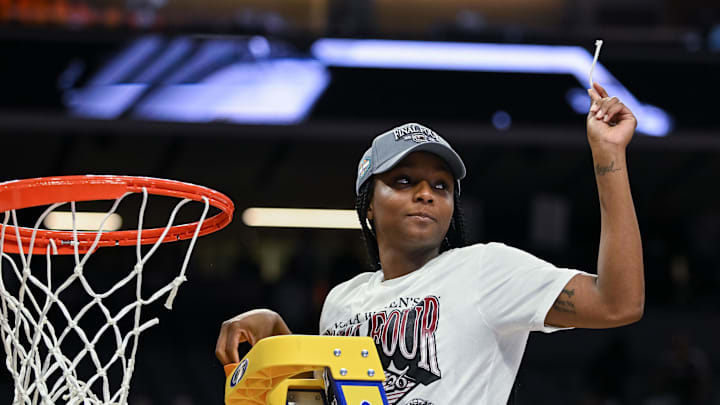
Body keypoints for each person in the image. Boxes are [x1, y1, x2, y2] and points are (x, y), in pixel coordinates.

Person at [215, 82, 645, 404]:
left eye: (441, 186)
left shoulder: (484, 270)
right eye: (403, 181)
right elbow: (324, 395)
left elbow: (618, 303)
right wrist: (276, 330)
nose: (426, 193)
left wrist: (609, 156)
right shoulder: (341, 300)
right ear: (368, 206)